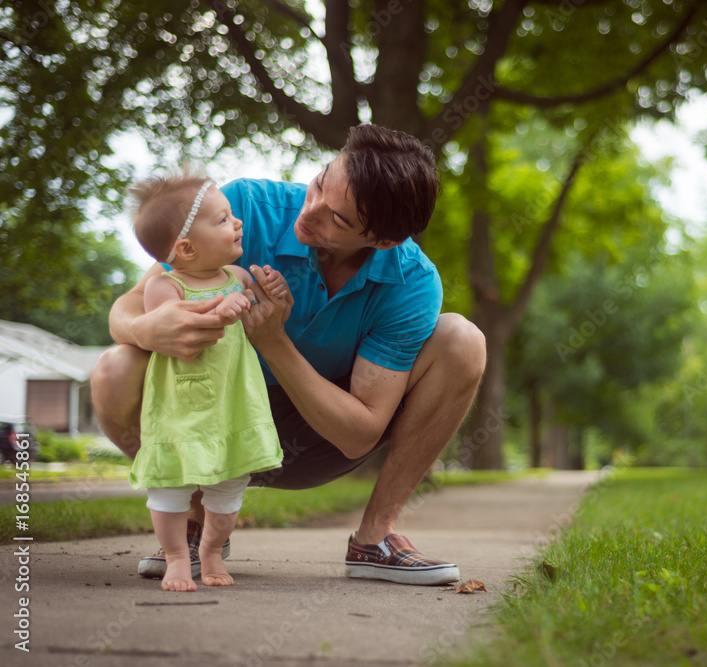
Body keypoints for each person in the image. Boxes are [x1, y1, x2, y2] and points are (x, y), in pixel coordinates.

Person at [92, 124, 487, 586]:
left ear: (382, 241)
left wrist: (273, 343)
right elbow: (126, 307)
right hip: (204, 415)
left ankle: (375, 538)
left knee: (463, 339)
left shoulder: (413, 283)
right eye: (320, 182)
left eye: (337, 219)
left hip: (318, 439)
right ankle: (196, 520)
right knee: (113, 368)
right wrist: (145, 327)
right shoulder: (239, 207)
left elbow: (359, 436)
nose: (310, 211)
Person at [127, 171, 289, 592]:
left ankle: (212, 549)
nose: (236, 223)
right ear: (185, 247)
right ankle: (178, 556)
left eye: (232, 215)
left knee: (229, 490)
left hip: (233, 402)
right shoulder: (165, 286)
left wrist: (270, 290)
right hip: (182, 407)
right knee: (169, 488)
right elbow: (186, 328)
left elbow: (260, 307)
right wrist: (220, 312)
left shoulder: (237, 275)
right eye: (222, 220)